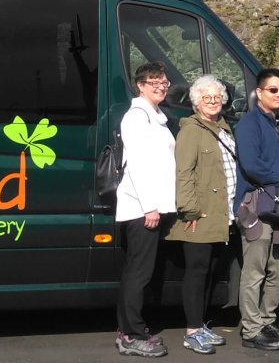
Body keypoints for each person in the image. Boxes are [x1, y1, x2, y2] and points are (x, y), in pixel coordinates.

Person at [167, 76, 237, 354]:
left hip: (221, 215)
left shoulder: (222, 128)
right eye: (206, 98)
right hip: (200, 215)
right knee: (197, 272)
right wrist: (190, 209)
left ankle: (202, 325)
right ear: (196, 102)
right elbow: (183, 174)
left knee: (209, 272)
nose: (212, 101)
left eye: (216, 97)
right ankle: (192, 331)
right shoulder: (191, 132)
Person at [235, 68, 279, 350]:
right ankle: (251, 331)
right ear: (259, 93)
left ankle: (264, 321)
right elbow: (251, 165)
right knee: (255, 271)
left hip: (275, 207)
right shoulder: (250, 124)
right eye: (273, 90)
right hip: (255, 205)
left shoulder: (276, 123)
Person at [115, 62, 177, 358]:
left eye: (164, 81)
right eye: (154, 82)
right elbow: (138, 165)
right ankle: (132, 334)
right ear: (140, 85)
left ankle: (129, 329)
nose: (161, 86)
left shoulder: (154, 116)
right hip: (142, 209)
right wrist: (150, 207)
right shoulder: (137, 117)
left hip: (149, 208)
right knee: (138, 274)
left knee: (137, 273)